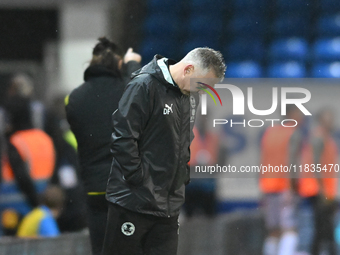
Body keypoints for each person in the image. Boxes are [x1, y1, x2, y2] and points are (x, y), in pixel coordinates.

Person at [102, 47, 225, 255]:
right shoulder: (144, 85)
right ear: (188, 70)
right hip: (133, 203)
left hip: (167, 208)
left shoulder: (186, 97)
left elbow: (184, 142)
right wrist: (138, 180)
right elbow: (123, 138)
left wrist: (179, 181)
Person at [65, 37, 141, 255]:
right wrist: (131, 65)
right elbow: (138, 93)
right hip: (127, 190)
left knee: (101, 250)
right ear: (118, 65)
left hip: (94, 190)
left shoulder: (74, 98)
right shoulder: (126, 90)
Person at [0, 95, 55, 235]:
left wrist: (35, 203)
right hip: (45, 203)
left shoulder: (16, 142)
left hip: (18, 207)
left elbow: (21, 176)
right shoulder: (45, 139)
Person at [260, 105, 305, 255]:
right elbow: (292, 162)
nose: (301, 117)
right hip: (285, 187)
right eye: (299, 113)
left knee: (273, 230)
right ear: (291, 114)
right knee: (289, 228)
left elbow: (262, 160)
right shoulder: (293, 133)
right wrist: (293, 187)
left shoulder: (270, 132)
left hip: (268, 186)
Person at [298, 108, 338, 255]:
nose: (331, 121)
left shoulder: (325, 137)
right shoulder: (319, 137)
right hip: (318, 190)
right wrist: (323, 192)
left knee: (322, 231)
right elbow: (315, 165)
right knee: (324, 230)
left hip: (323, 190)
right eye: (328, 118)